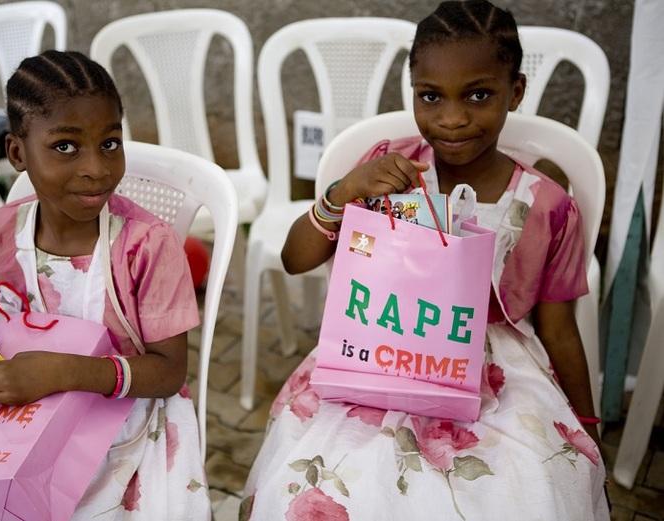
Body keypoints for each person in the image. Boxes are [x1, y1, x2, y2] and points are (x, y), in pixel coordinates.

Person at [241, 2, 609, 520]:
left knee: (525, 490)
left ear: (516, 92)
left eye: (478, 95)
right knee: (338, 482)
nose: (452, 118)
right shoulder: (388, 171)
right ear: (413, 92)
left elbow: (559, 329)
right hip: (380, 347)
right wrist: (341, 194)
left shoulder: (547, 205)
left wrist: (587, 429)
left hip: (495, 367)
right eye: (430, 97)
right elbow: (295, 258)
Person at [0, 51, 210, 520]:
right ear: (18, 153)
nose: (96, 169)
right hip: (15, 427)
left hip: (126, 427)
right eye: (65, 146)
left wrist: (62, 373)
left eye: (109, 143)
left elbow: (168, 373)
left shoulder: (146, 245)